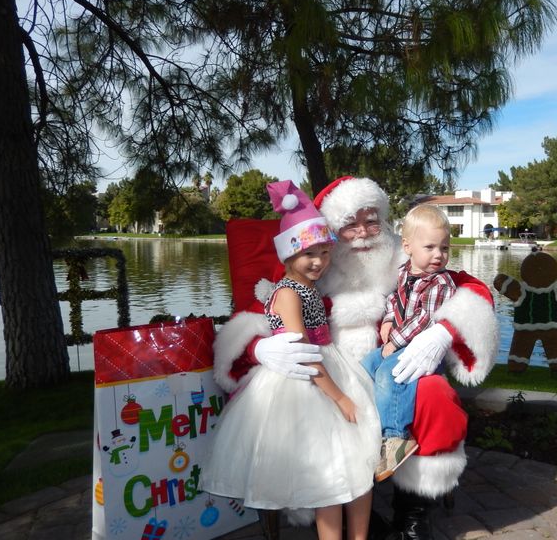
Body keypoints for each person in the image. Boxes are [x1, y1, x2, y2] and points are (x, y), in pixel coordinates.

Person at [213, 176, 499, 540]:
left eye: (371, 219)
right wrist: (259, 347)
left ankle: (412, 510)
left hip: (397, 365)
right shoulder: (313, 264)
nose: (362, 232)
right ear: (331, 230)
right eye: (349, 223)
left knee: (431, 393)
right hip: (334, 374)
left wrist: (443, 332)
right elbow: (259, 313)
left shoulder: (407, 255)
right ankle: (336, 508)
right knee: (318, 417)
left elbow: (470, 289)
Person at [203, 180, 380, 540]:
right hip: (307, 379)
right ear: (287, 255)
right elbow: (304, 353)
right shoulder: (287, 293)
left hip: (332, 365)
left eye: (324, 253)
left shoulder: (311, 288)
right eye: (308, 254)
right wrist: (341, 397)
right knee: (330, 474)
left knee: (359, 462)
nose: (318, 262)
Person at [361, 205, 456, 482]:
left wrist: (394, 340)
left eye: (445, 248)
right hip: (398, 339)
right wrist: (389, 319)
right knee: (365, 366)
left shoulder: (441, 283)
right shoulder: (404, 272)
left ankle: (395, 437)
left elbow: (425, 319)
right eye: (430, 247)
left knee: (390, 375)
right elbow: (394, 299)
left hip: (419, 349)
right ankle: (368, 426)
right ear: (408, 246)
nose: (439, 255)